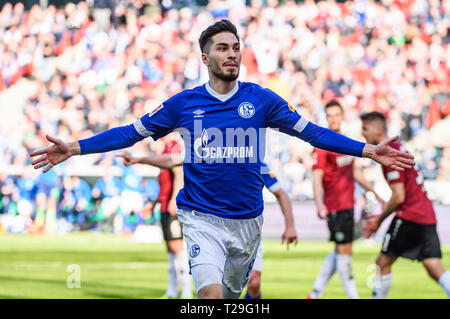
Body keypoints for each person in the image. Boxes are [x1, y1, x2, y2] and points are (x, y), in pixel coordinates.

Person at [30, 19, 415, 299]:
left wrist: (366, 149)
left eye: (235, 48)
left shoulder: (261, 100)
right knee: (210, 299)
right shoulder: (183, 105)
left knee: (232, 300)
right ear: (205, 57)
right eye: (222, 48)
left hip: (247, 223)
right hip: (200, 219)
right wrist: (75, 147)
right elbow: (130, 132)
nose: (231, 54)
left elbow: (312, 132)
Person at [360, 112, 450, 299]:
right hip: (426, 214)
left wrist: (378, 220)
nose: (363, 133)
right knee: (434, 267)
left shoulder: (389, 150)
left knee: (382, 263)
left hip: (411, 216)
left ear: (378, 128)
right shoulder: (400, 147)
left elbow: (399, 196)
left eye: (365, 128)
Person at [308, 101, 385, 299]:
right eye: (330, 115)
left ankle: (315, 293)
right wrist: (319, 204)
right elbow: (316, 177)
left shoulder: (344, 140)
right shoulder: (322, 143)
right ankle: (353, 296)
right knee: (345, 254)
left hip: (348, 204)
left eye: (337, 114)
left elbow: (354, 171)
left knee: (342, 250)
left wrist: (373, 192)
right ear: (326, 117)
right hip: (335, 206)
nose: (334, 118)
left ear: (342, 116)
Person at [120, 133, 193, 299]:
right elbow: (164, 180)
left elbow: (179, 173)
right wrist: (154, 203)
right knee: (170, 249)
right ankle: (173, 290)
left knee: (178, 248)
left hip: (172, 204)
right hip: (164, 203)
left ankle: (186, 290)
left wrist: (175, 198)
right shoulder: (166, 148)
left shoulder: (175, 145)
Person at [244, 162, 297, 299]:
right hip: (221, 230)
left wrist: (290, 225)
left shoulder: (259, 164)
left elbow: (281, 194)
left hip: (250, 233)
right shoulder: (220, 161)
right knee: (220, 288)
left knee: (254, 283)